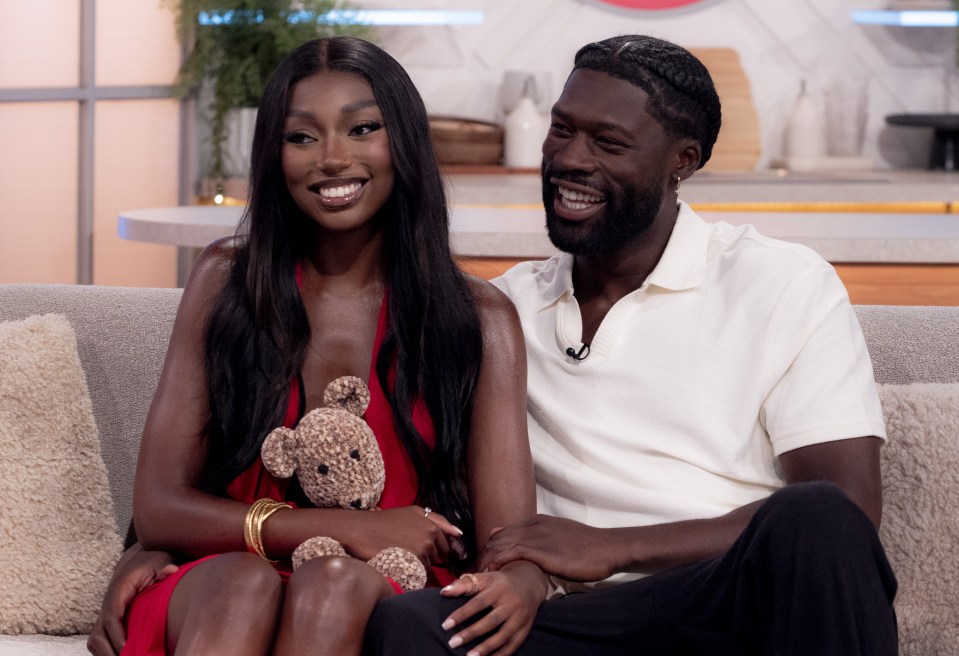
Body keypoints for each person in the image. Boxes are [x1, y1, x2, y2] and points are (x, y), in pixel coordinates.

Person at [363, 34, 898, 655]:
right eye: (561, 130)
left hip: (723, 607)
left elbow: (851, 512)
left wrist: (613, 546)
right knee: (411, 627)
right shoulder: (502, 308)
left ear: (682, 161)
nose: (570, 158)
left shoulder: (782, 284)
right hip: (573, 620)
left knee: (819, 520)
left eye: (607, 142)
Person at [87, 36, 547, 656]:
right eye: (301, 137)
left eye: (361, 129)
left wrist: (525, 578)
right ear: (274, 155)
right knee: (246, 586)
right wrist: (348, 526)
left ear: (405, 141)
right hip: (226, 571)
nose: (332, 158)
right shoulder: (227, 279)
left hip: (384, 586)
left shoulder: (480, 318)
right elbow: (161, 506)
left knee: (332, 583)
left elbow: (506, 541)